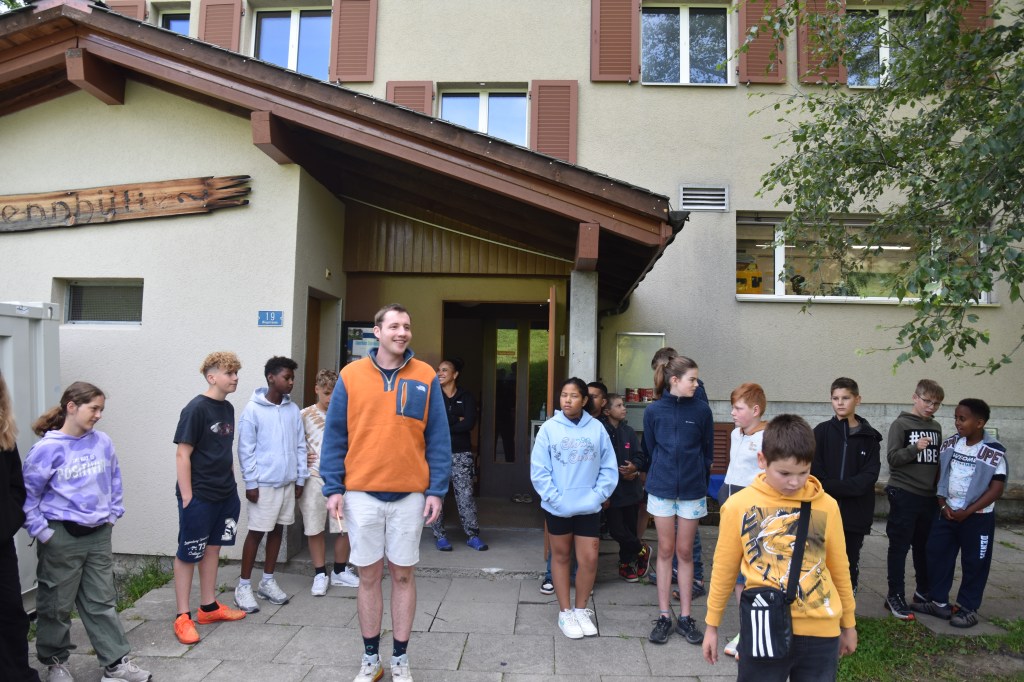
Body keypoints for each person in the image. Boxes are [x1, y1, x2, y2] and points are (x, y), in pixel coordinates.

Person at [321, 303, 452, 682]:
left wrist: (436, 490)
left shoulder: (425, 375)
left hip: (410, 494)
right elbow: (335, 436)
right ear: (377, 332)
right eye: (393, 326)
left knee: (404, 576)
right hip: (361, 493)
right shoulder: (351, 375)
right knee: (367, 576)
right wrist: (333, 487)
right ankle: (370, 659)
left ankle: (400, 658)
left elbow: (438, 437)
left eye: (406, 326)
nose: (402, 332)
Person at [703, 415, 858, 680]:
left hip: (820, 632)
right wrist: (712, 625)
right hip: (763, 625)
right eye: (784, 473)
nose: (795, 482)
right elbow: (724, 569)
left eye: (803, 472)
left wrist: (849, 624)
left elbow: (840, 567)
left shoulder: (827, 505)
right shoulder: (738, 505)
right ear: (762, 460)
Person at [23, 382, 151, 682]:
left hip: (98, 535)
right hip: (60, 536)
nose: (99, 415)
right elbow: (27, 496)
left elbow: (114, 479)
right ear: (71, 407)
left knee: (102, 601)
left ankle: (115, 664)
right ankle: (56, 663)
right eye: (94, 408)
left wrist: (112, 515)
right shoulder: (47, 449)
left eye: (101, 409)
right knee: (55, 604)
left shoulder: (102, 442)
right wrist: (43, 533)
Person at [530, 378, 617, 639]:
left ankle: (581, 610)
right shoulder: (549, 428)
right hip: (558, 507)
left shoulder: (597, 428)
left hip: (589, 507)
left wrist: (598, 496)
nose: (567, 400)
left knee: (589, 559)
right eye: (564, 395)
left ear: (585, 400)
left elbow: (609, 466)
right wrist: (555, 499)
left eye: (574, 396)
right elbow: (539, 470)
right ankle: (565, 612)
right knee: (561, 557)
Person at [172, 352, 247, 645]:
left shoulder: (227, 408)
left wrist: (232, 485)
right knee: (189, 552)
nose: (235, 378)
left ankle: (209, 607)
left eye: (236, 372)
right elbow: (183, 454)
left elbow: (223, 450)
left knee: (213, 548)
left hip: (225, 494)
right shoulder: (196, 409)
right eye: (229, 373)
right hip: (199, 495)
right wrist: (188, 497)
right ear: (211, 377)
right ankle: (182, 616)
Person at [913, 399, 1007, 628]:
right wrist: (942, 504)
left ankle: (967, 608)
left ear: (979, 423)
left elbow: (996, 489)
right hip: (947, 512)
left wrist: (968, 511)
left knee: (975, 562)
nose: (957, 422)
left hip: (977, 517)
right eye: (956, 418)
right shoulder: (951, 444)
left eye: (962, 419)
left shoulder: (993, 451)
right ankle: (939, 602)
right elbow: (941, 475)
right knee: (936, 553)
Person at [642, 355, 713, 646]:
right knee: (665, 550)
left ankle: (685, 617)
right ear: (675, 380)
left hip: (692, 491)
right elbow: (650, 448)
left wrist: (698, 480)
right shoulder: (653, 411)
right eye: (691, 379)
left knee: (685, 552)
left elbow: (707, 451)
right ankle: (663, 616)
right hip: (661, 488)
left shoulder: (702, 410)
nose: (696, 384)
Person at [234, 356, 308, 613]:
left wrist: (300, 477)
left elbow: (300, 446)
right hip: (263, 484)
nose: (291, 382)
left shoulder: (292, 410)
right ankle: (243, 586)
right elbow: (245, 450)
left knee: (278, 531)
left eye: (292, 378)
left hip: (287, 483)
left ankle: (267, 581)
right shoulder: (252, 410)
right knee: (257, 532)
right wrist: (251, 483)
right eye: (287, 377)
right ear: (271, 378)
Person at [812, 377, 881, 595]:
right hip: (822, 512)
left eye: (846, 398)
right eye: (835, 398)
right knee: (818, 561)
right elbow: (814, 472)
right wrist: (830, 487)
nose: (840, 403)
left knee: (848, 561)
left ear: (857, 400)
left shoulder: (870, 438)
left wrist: (834, 486)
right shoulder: (821, 432)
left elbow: (868, 477)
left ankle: (846, 606)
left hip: (854, 514)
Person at [716, 382, 768, 660]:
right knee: (737, 572)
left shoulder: (767, 438)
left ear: (755, 410)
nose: (733, 413)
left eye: (738, 408)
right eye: (733, 407)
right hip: (731, 508)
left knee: (753, 572)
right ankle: (745, 629)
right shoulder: (736, 433)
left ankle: (755, 631)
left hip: (753, 513)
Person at [884, 379, 944, 620]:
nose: (931, 407)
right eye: (927, 401)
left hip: (928, 497)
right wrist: (914, 448)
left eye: (936, 404)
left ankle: (923, 592)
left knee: (924, 547)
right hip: (904, 492)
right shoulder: (900, 424)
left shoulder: (936, 426)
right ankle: (895, 595)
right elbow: (892, 459)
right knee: (899, 547)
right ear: (915, 397)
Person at [299, 369, 360, 596]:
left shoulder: (348, 414)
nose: (330, 398)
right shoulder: (303, 415)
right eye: (326, 393)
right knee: (314, 527)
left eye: (335, 393)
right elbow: (293, 443)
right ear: (316, 389)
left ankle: (340, 570)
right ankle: (319, 573)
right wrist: (301, 457)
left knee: (344, 527)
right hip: (313, 476)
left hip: (343, 478)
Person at [0, 370, 40, 681]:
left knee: (11, 613)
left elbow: (16, 486)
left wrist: (9, 520)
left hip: (0, 543)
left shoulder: (4, 434)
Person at [430, 358, 488, 552]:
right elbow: (431, 422)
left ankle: (473, 535)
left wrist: (446, 424)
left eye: (444, 370)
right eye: (438, 370)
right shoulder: (433, 395)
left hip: (462, 454)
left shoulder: (466, 396)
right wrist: (457, 419)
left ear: (455, 375)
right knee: (437, 495)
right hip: (437, 454)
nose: (440, 373)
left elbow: (469, 423)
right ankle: (440, 536)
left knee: (465, 496)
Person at [602, 393, 650, 582]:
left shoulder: (628, 431)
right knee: (616, 530)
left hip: (630, 490)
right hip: (611, 491)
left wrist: (635, 467)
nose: (624, 408)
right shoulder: (601, 431)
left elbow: (639, 455)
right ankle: (642, 550)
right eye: (619, 405)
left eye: (624, 405)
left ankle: (626, 564)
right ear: (607, 411)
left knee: (630, 528)